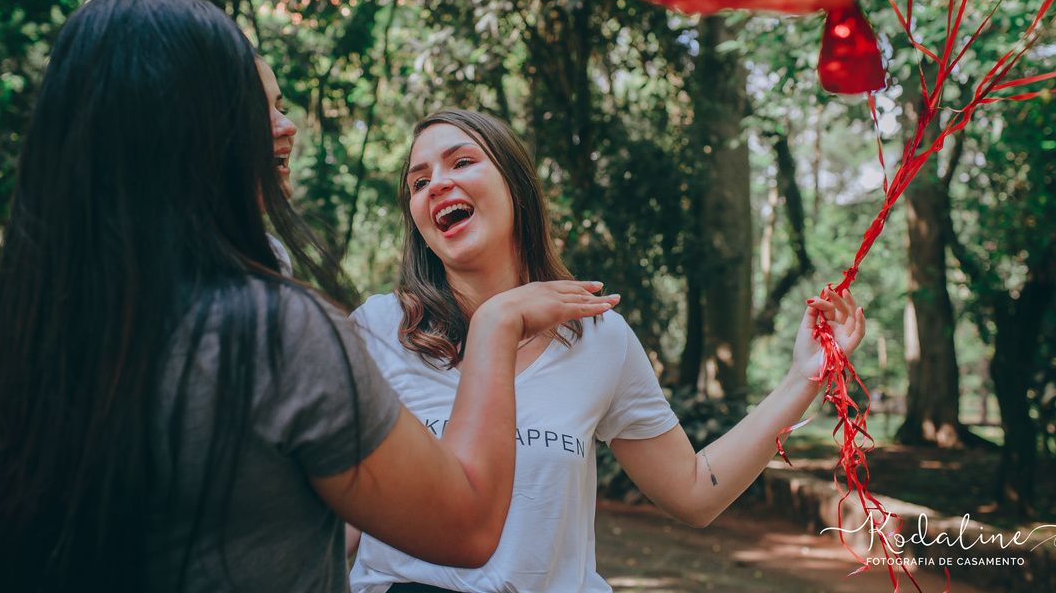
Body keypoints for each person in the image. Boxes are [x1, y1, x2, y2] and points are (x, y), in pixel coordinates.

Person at [0, 0, 619, 593]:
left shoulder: (30, 339)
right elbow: (467, 526)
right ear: (194, 131)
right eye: (261, 107)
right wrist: (498, 326)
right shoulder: (279, 334)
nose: (288, 126)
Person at [349, 109, 866, 593]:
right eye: (419, 182)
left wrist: (804, 377)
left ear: (516, 186)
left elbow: (693, 492)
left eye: (462, 161)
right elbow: (338, 516)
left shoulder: (599, 338)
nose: (437, 183)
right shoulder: (378, 330)